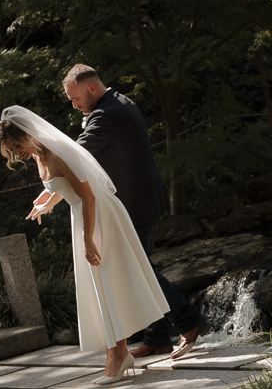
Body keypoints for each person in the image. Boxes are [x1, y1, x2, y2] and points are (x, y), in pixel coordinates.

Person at [0, 104, 168, 383]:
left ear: (28, 134)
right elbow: (65, 185)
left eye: (16, 145)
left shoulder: (57, 152)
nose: (16, 153)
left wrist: (88, 240)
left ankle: (118, 356)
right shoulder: (40, 156)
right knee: (101, 287)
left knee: (109, 283)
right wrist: (48, 199)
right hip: (83, 215)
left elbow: (88, 195)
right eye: (11, 149)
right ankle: (117, 356)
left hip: (99, 215)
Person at [63, 64, 210, 360]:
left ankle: (190, 321)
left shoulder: (106, 115)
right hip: (143, 199)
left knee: (139, 273)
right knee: (140, 269)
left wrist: (47, 159)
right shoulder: (121, 101)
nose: (74, 104)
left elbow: (75, 155)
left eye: (75, 98)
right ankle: (157, 339)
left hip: (136, 205)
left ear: (91, 88)